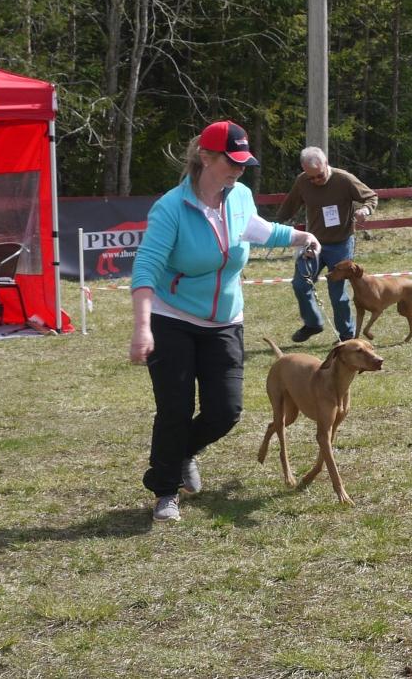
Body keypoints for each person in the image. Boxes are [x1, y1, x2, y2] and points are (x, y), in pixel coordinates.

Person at [129, 120, 321, 523]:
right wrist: (143, 327)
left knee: (226, 411)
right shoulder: (170, 209)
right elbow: (146, 266)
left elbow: (256, 229)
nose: (238, 169)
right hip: (172, 318)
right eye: (231, 161)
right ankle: (165, 491)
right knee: (175, 409)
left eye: (242, 162)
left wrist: (300, 236)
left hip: (224, 320)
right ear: (205, 157)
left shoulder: (240, 197)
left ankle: (183, 453)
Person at [275, 147, 378, 342]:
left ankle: (347, 336)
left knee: (337, 293)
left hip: (341, 244)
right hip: (314, 243)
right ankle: (313, 323)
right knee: (300, 283)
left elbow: (371, 197)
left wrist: (365, 210)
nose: (315, 181)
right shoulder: (302, 181)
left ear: (326, 163)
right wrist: (271, 227)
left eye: (319, 176)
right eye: (311, 177)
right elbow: (289, 207)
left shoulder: (344, 179)